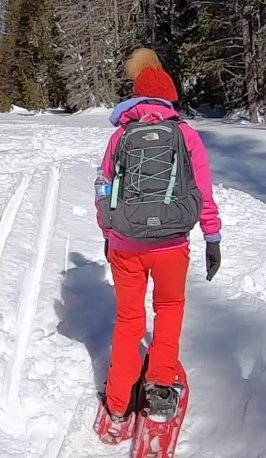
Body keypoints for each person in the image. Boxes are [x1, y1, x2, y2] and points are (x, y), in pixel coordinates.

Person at [93, 48, 221, 440]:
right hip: (171, 245)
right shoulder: (185, 135)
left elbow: (103, 188)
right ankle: (161, 393)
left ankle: (118, 404)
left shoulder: (120, 137)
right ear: (169, 97)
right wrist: (212, 237)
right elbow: (203, 189)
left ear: (135, 99)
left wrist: (107, 233)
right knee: (168, 310)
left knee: (129, 320)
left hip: (126, 243)